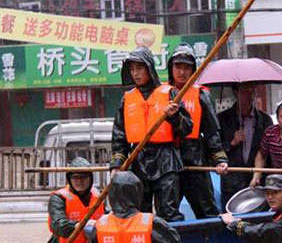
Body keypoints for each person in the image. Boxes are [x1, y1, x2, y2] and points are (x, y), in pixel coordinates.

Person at [109, 46, 193, 221]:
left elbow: (187, 128)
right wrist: (117, 163)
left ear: (149, 68)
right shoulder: (127, 98)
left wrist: (174, 116)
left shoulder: (170, 93)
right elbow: (119, 135)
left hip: (166, 160)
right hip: (138, 160)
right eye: (132, 69)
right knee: (140, 213)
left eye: (139, 68)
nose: (135, 73)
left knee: (169, 212)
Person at [167, 43, 229, 218]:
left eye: (187, 67)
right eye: (178, 66)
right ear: (171, 68)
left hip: (195, 160)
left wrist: (220, 159)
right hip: (168, 162)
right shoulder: (161, 93)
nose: (182, 72)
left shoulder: (202, 94)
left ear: (193, 69)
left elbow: (211, 132)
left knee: (207, 210)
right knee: (167, 213)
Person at [40, 157, 104, 243]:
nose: (80, 181)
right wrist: (79, 225)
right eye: (75, 177)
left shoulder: (99, 196)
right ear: (69, 179)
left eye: (84, 177)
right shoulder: (58, 198)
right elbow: (57, 225)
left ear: (90, 179)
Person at [218, 82, 273, 207]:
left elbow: (268, 151)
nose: (250, 94)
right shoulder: (222, 119)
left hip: (257, 181)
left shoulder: (264, 120)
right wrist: (232, 143)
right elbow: (214, 150)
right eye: (245, 91)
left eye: (252, 90)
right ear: (236, 93)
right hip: (232, 181)